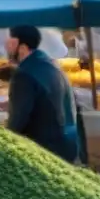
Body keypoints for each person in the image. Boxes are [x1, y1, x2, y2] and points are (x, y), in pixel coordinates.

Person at [6, 25, 79, 162]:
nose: (7, 48)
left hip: (44, 153)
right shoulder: (53, 65)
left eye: (10, 43)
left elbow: (18, 121)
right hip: (67, 148)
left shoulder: (24, 75)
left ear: (22, 47)